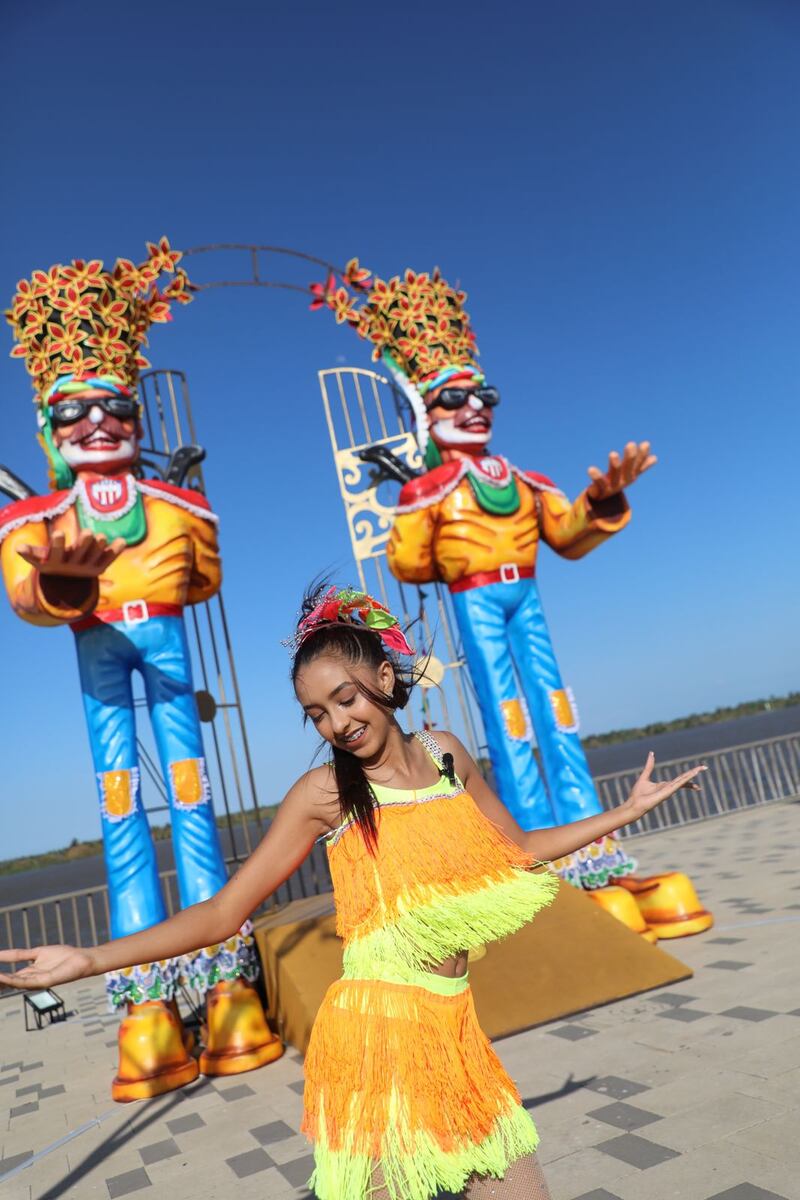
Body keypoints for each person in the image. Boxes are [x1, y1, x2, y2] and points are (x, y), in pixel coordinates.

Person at [0, 585, 705, 1200]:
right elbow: (223, 912)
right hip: (378, 1037)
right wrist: (90, 960)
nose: (337, 723)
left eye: (345, 698)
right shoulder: (327, 794)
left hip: (455, 1029)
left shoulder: (445, 754)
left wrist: (623, 812)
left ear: (386, 677)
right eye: (316, 714)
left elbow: (515, 851)